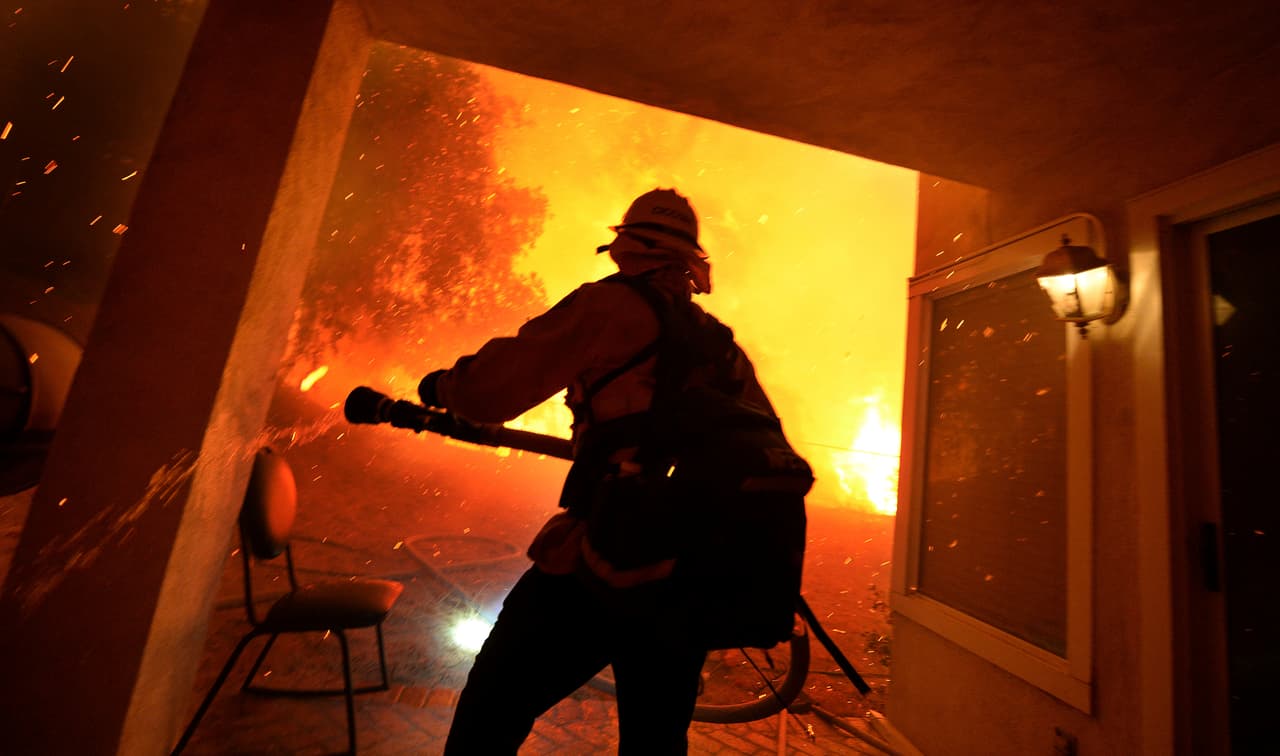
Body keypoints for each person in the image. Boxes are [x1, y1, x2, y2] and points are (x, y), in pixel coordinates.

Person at [418, 188, 778, 754]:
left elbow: (493, 389)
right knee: (655, 742)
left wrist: (442, 387)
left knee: (492, 710)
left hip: (602, 556)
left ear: (629, 247)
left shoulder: (607, 307)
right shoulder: (719, 345)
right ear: (688, 263)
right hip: (688, 574)